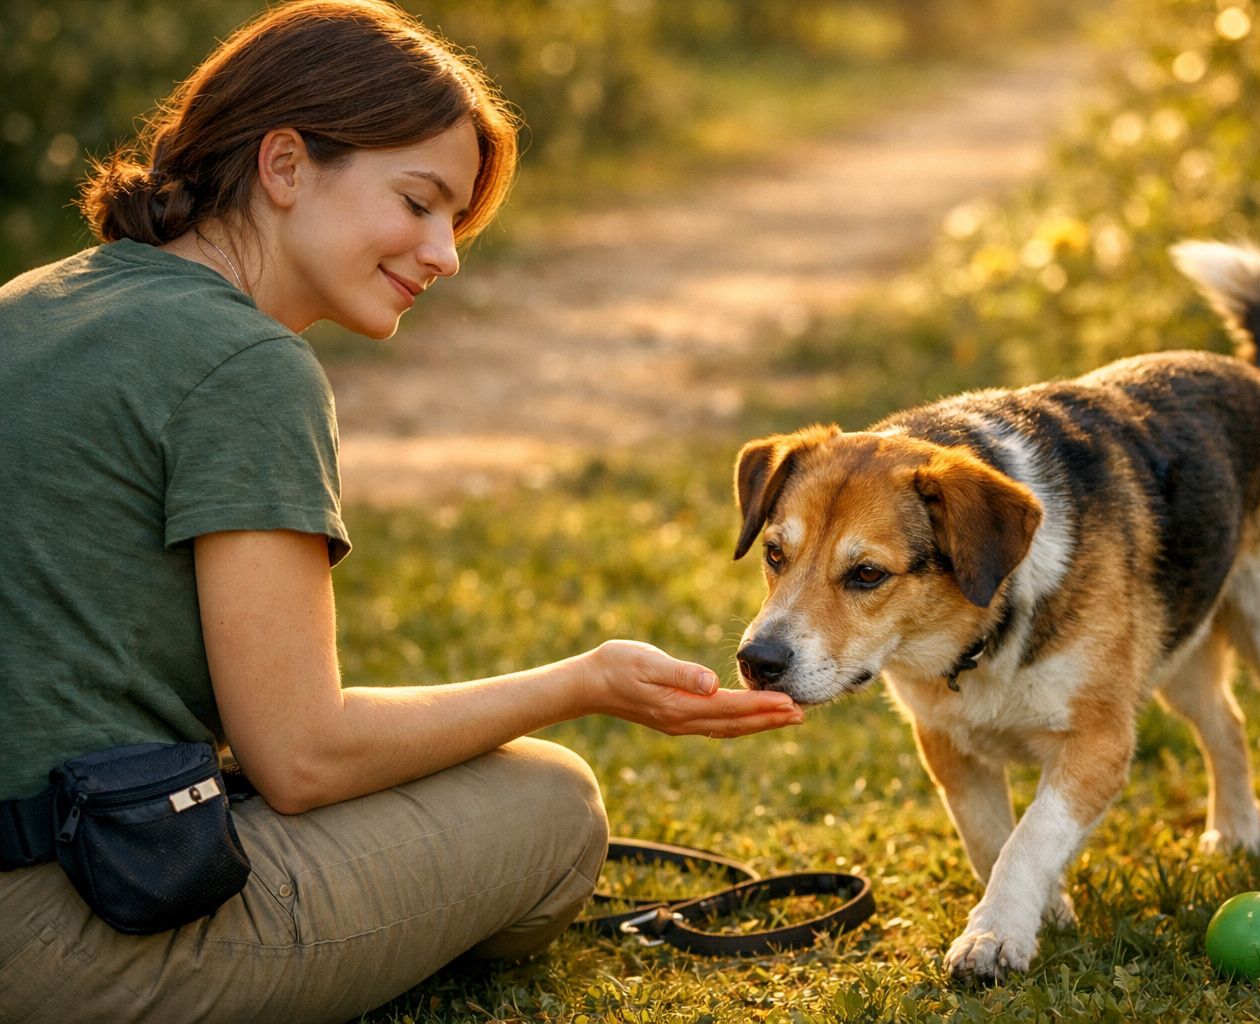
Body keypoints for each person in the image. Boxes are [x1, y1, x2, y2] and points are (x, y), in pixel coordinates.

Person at [0, 2, 803, 1021]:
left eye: (455, 222)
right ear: (284, 166)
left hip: (63, 846)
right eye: (419, 202)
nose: (445, 254)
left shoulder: (32, 299)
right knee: (551, 806)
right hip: (66, 938)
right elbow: (301, 755)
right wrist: (583, 680)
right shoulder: (248, 367)